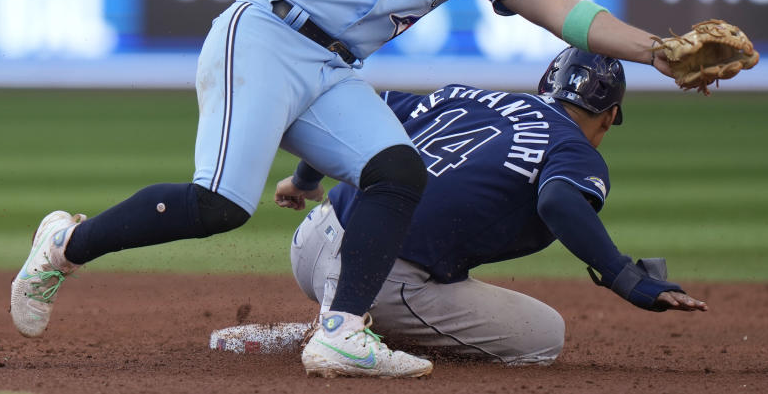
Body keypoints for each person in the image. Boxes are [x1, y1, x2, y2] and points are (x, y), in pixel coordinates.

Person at [10, 0, 676, 379]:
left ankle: (341, 331)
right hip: (266, 34)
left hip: (333, 70)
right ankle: (66, 244)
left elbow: (566, 13)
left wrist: (659, 51)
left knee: (397, 170)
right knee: (221, 205)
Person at [276, 48, 708, 365]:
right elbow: (559, 201)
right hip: (381, 282)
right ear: (610, 116)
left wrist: (303, 180)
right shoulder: (573, 148)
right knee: (544, 336)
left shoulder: (464, 96)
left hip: (312, 241)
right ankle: (348, 332)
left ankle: (337, 317)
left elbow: (359, 113)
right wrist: (624, 277)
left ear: (546, 87)